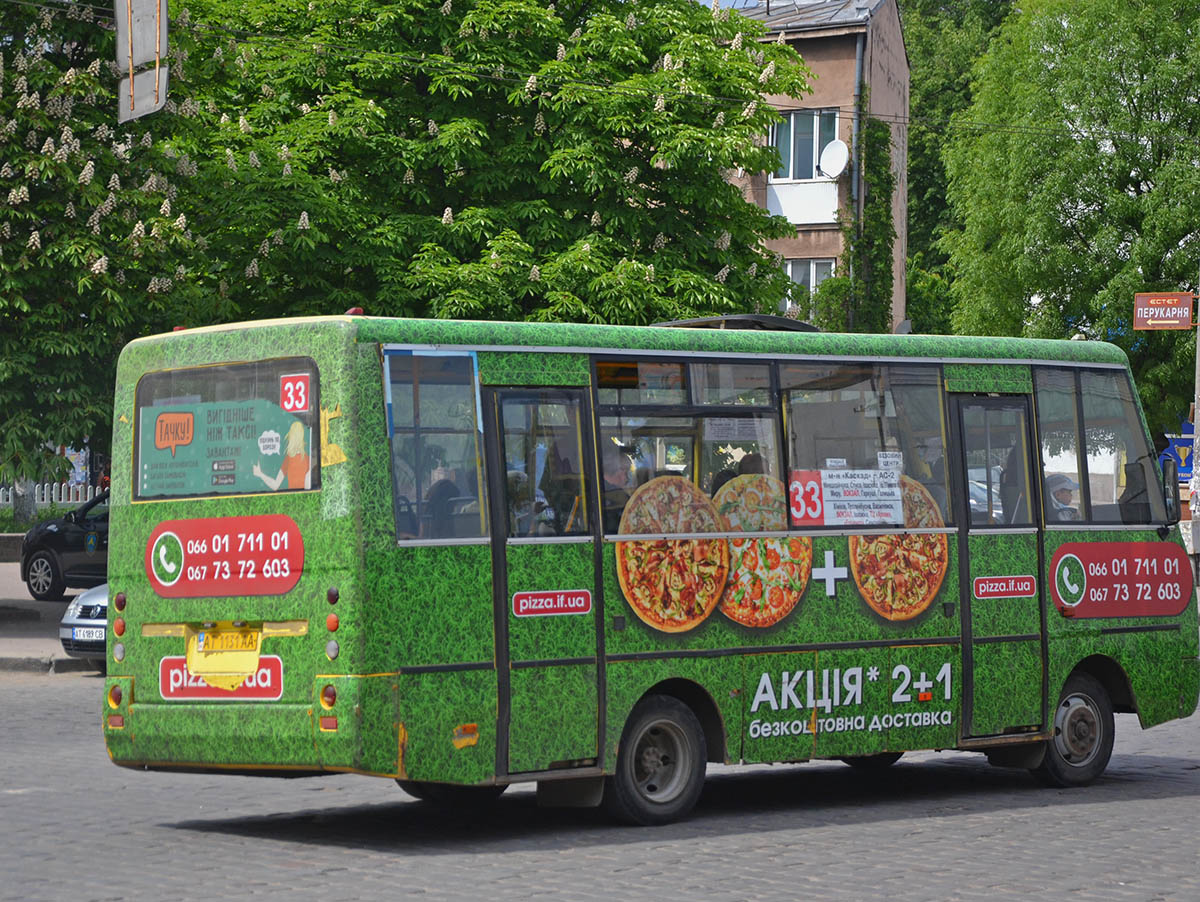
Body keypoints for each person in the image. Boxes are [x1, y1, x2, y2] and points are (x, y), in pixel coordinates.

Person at [252, 421, 311, 490]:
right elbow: (308, 487)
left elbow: (275, 485)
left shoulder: (289, 459)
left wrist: (260, 474)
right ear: (302, 437)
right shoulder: (307, 459)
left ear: (291, 436)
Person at [601, 442, 632, 533]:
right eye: (626, 472)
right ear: (619, 470)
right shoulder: (620, 497)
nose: (627, 479)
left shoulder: (598, 489)